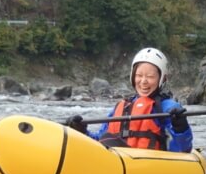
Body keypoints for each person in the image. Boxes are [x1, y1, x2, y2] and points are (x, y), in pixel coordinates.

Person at [65, 47, 193, 153]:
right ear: (132, 76)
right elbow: (100, 139)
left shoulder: (169, 108)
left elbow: (182, 150)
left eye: (150, 76)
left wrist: (181, 128)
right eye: (139, 76)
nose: (143, 81)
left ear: (162, 79)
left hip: (151, 166)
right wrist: (81, 132)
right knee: (107, 137)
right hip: (120, 162)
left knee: (108, 139)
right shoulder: (122, 106)